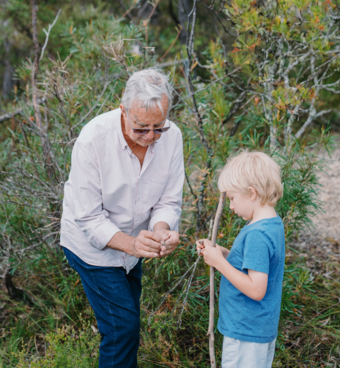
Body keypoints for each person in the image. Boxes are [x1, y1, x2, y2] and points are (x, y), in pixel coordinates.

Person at [60, 68, 184, 368]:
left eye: (159, 127)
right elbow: (88, 218)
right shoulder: (92, 139)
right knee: (122, 329)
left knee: (127, 324)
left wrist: (162, 230)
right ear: (123, 110)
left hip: (134, 247)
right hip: (92, 249)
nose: (151, 137)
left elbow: (168, 200)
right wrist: (132, 245)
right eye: (142, 128)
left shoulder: (173, 136)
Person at [196, 151, 285, 368]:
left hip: (246, 330)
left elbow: (256, 289)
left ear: (251, 193)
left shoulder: (257, 235)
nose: (231, 206)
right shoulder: (271, 224)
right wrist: (220, 253)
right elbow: (252, 264)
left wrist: (220, 264)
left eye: (233, 198)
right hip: (259, 327)